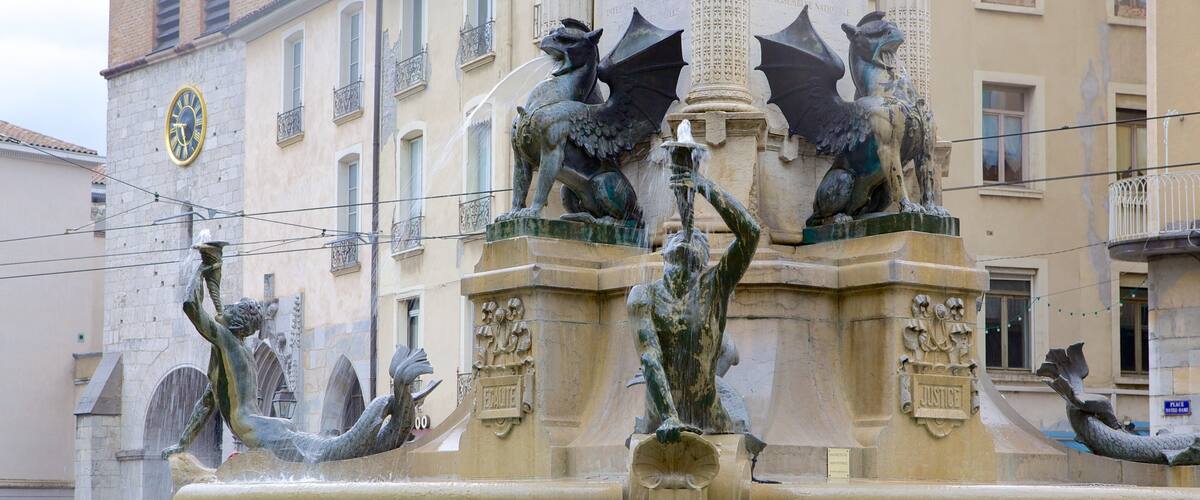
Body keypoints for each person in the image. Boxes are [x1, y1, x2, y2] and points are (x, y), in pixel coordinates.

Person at [629, 169, 760, 443]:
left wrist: (703, 185)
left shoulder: (714, 286)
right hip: (661, 416)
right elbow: (650, 357)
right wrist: (670, 417)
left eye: (699, 238)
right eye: (676, 236)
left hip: (709, 416)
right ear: (664, 253)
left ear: (703, 261)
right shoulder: (643, 295)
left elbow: (751, 232)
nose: (687, 237)